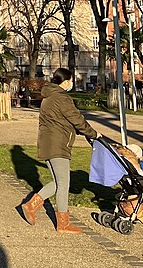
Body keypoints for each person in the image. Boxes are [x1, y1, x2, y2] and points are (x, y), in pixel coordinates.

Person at [18, 67, 99, 234]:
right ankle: (62, 222)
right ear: (66, 81)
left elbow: (60, 120)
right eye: (70, 81)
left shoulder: (49, 96)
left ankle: (32, 205)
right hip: (58, 144)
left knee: (57, 182)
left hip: (48, 143)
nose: (71, 84)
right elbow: (76, 118)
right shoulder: (61, 97)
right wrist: (94, 134)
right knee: (63, 184)